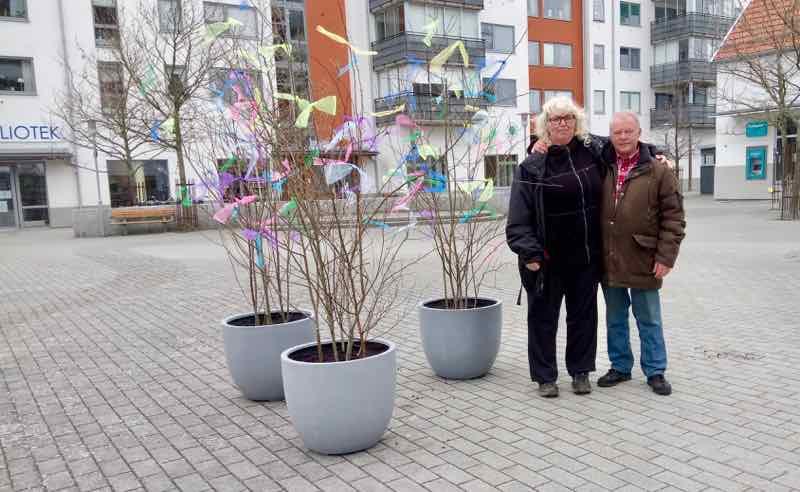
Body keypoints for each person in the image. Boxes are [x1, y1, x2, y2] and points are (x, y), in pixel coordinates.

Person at [506, 97, 605, 398]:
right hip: (546, 261)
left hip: (585, 258)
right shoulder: (533, 166)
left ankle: (580, 372)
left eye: (568, 117)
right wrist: (530, 253)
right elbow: (518, 218)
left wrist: (659, 154)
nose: (562, 123)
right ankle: (545, 377)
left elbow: (630, 144)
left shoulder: (594, 151)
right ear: (545, 125)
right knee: (542, 319)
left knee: (584, 318)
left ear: (577, 122)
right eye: (555, 118)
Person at [595, 112, 685, 395]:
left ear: (639, 133)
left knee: (649, 318)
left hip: (644, 258)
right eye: (618, 132)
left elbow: (674, 217)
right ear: (610, 135)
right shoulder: (602, 164)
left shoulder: (659, 170)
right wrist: (537, 143)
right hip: (609, 256)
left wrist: (665, 257)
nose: (623, 137)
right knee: (615, 317)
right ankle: (620, 366)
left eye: (628, 131)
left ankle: (655, 370)